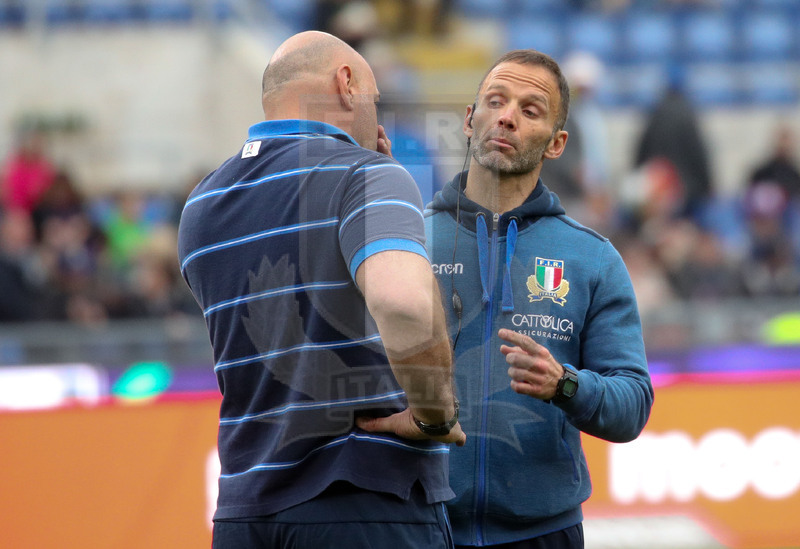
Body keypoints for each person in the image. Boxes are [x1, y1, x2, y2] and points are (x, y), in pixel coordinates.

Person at [177, 31, 464, 549]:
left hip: (244, 513)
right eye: (374, 100)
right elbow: (403, 303)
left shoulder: (200, 206)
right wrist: (433, 415)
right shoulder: (368, 175)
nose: (377, 121)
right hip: (364, 502)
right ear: (347, 83)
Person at [364, 50, 654, 548]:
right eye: (495, 101)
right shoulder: (404, 241)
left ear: (558, 143)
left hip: (544, 533)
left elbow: (632, 405)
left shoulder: (591, 258)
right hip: (416, 527)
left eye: (530, 109)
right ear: (470, 119)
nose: (507, 116)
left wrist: (565, 385)